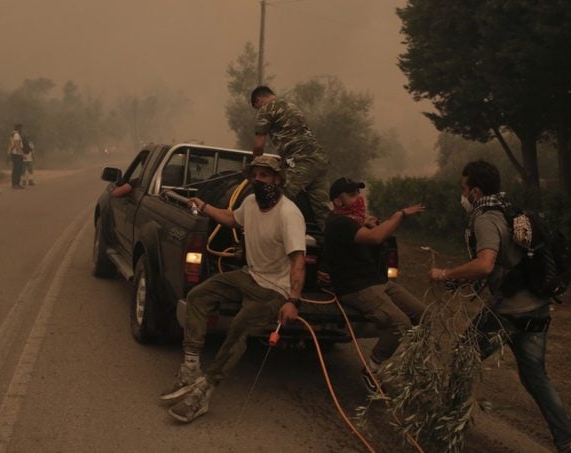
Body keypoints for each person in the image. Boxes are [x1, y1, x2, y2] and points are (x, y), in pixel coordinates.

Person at [429, 160, 571, 453]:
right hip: (537, 308)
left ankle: (446, 425)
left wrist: (444, 275)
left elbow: (484, 263)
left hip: (508, 313)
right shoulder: (510, 209)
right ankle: (569, 444)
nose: (462, 195)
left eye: (463, 188)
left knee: (463, 357)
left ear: (475, 191)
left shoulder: (486, 218)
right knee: (536, 377)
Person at [161, 155, 306, 423]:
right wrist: (204, 206)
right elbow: (232, 219)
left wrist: (293, 301)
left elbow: (298, 260)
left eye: (265, 175)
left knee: (238, 328)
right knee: (197, 296)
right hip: (249, 276)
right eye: (255, 175)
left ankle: (204, 391)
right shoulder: (250, 202)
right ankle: (190, 368)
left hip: (274, 290)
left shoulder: (289, 214)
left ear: (277, 179)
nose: (259, 180)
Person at [323, 177, 426, 391]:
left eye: (358, 193)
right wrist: (399, 215)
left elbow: (366, 234)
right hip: (356, 288)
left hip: (378, 281)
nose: (359, 198)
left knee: (424, 314)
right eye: (351, 195)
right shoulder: (338, 222)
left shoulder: (352, 221)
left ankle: (412, 367)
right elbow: (375, 238)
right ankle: (372, 368)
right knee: (401, 324)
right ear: (337, 202)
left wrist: (365, 223)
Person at [251, 85, 331, 229]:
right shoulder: (292, 107)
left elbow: (258, 146)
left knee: (278, 196)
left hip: (302, 160)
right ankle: (330, 245)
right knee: (322, 212)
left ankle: (266, 232)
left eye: (257, 107)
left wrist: (256, 164)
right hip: (319, 160)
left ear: (259, 99)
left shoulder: (266, 109)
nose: (259, 110)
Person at [8, 124, 24, 189]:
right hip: (17, 154)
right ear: (19, 128)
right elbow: (17, 145)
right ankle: (15, 184)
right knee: (17, 169)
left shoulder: (13, 134)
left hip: (15, 153)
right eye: (21, 128)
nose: (22, 130)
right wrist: (22, 153)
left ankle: (16, 183)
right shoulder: (16, 135)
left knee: (17, 169)